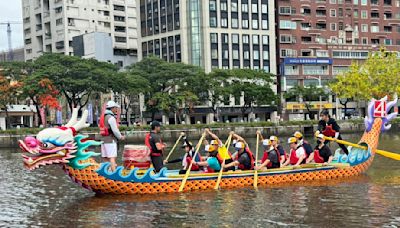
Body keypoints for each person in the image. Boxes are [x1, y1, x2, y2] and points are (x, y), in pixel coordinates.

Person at [99, 101, 125, 171]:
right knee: (112, 158)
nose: (116, 109)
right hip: (111, 140)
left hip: (103, 140)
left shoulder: (102, 117)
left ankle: (106, 172)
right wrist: (120, 137)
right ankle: (114, 173)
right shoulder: (111, 117)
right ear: (112, 108)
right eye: (115, 108)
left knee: (105, 158)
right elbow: (115, 130)